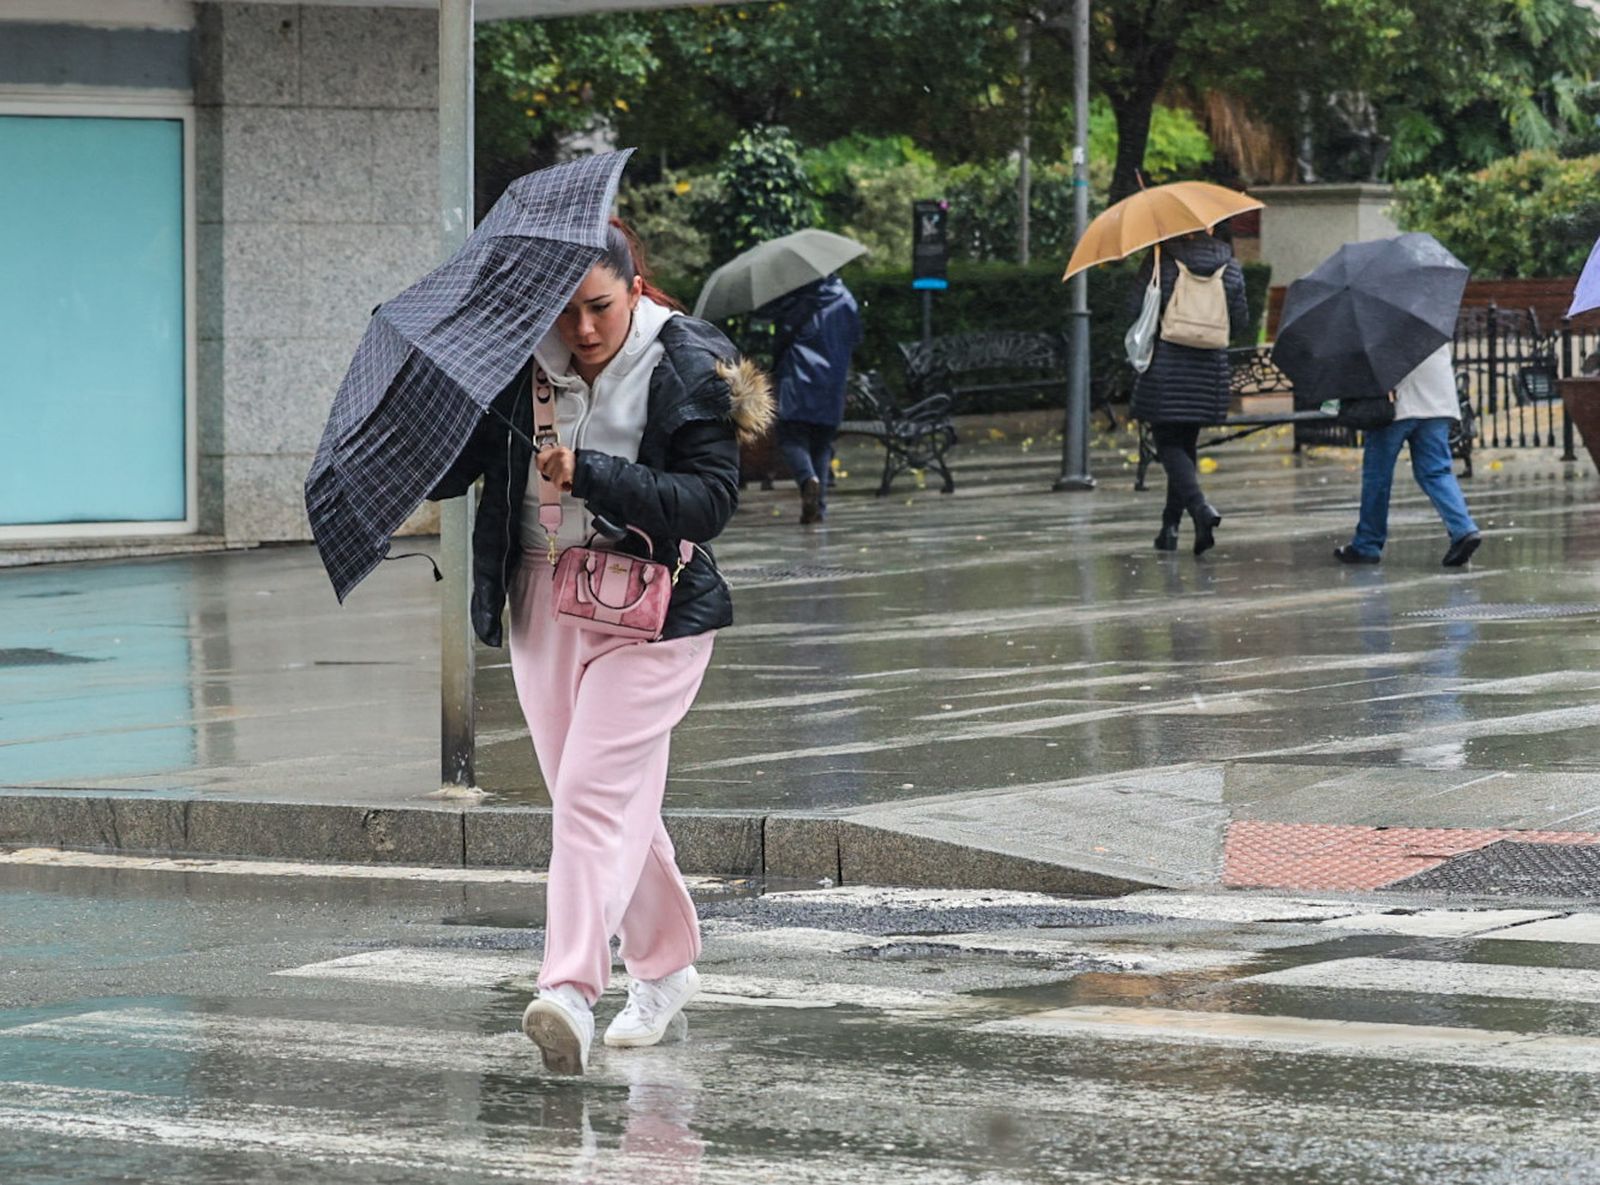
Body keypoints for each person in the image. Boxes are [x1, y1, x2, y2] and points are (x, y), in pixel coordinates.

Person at [428, 219, 772, 1075]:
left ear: (635, 287)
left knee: (588, 793)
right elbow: (451, 473)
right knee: (607, 802)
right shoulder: (522, 362)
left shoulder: (686, 359)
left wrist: (592, 472)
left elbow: (708, 501)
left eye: (600, 307)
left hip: (656, 608)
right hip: (542, 601)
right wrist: (453, 395)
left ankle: (569, 992)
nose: (582, 330)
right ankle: (665, 969)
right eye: (565, 311)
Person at [1128, 229, 1249, 555]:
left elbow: (1134, 308)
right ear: (1207, 228)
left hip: (1167, 365)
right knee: (1185, 446)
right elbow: (1240, 321)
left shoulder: (1160, 259)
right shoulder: (1230, 264)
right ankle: (1171, 528)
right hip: (1209, 368)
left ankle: (1200, 509)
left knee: (1167, 443)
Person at [1333, 344, 1481, 567]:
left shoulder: (1380, 318)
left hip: (1396, 405)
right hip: (1437, 401)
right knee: (1436, 472)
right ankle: (1463, 530)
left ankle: (1367, 545)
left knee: (1378, 475)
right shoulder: (1426, 313)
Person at [761, 274, 862, 523]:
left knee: (790, 436)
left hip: (797, 378)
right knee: (822, 443)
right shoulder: (846, 299)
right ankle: (820, 507)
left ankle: (808, 479)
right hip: (833, 382)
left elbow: (782, 339)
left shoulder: (799, 300)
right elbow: (855, 338)